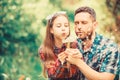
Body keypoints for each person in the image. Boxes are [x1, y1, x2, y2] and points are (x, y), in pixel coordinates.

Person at [64, 6, 120, 80]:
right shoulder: (73, 45)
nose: (79, 27)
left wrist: (78, 62)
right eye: (76, 23)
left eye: (84, 23)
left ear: (95, 25)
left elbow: (106, 79)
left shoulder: (110, 48)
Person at [38, 11, 80, 80]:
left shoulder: (74, 45)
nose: (63, 28)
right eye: (59, 26)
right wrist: (60, 62)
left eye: (66, 26)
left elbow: (78, 72)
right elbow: (52, 75)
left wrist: (78, 59)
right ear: (51, 30)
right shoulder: (44, 50)